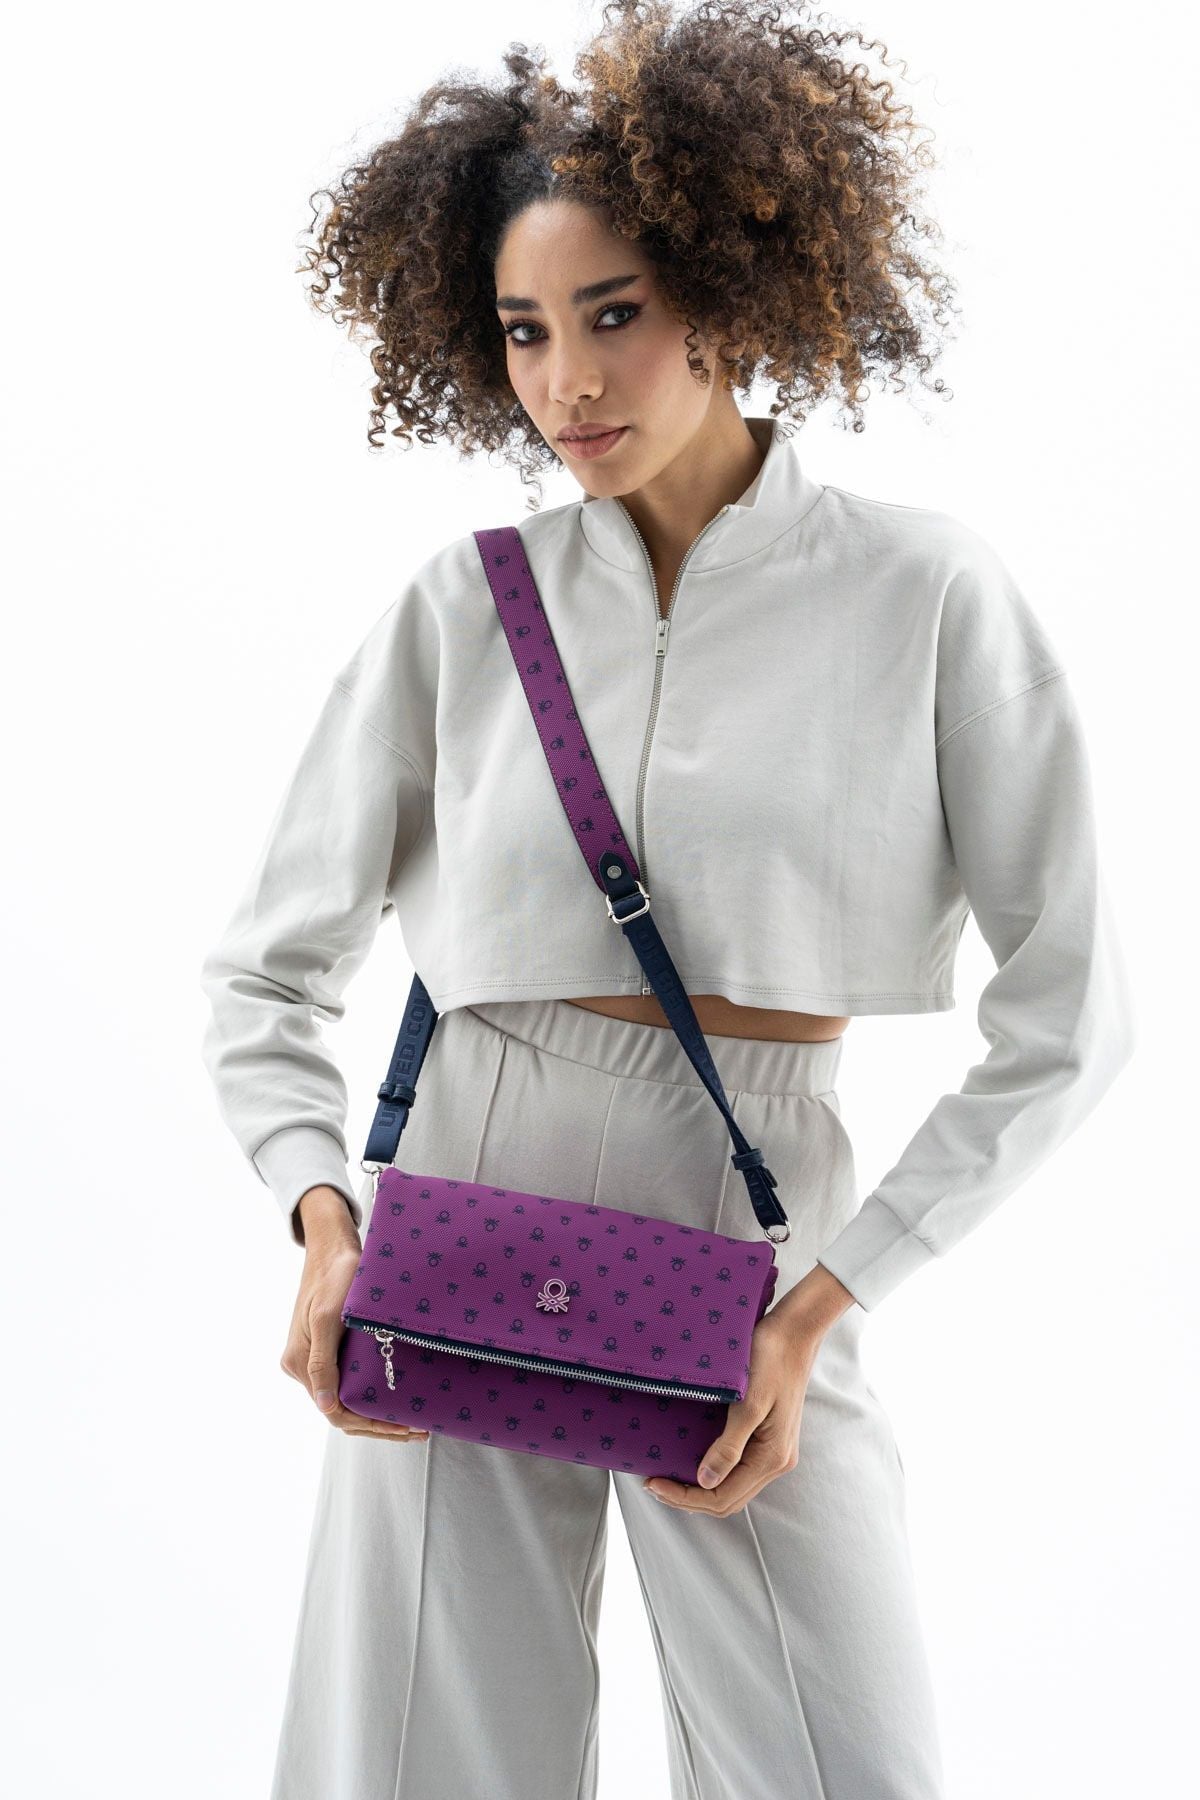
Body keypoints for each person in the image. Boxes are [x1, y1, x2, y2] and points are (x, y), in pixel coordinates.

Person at [197, 4, 1136, 1795]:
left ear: (729, 291)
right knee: (420, 1761)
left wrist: (825, 1305)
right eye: (525, 331)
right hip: (460, 1197)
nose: (569, 381)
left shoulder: (928, 596)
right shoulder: (464, 605)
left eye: (613, 313)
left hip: (753, 1227)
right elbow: (266, 970)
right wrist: (323, 1218)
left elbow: (1073, 1017)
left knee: (837, 1760)